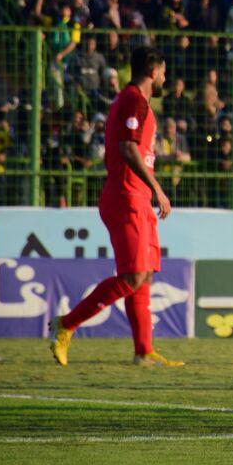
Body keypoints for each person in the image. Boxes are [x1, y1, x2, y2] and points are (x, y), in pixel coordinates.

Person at [49, 47, 183, 368]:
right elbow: (127, 147)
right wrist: (158, 188)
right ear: (153, 71)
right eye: (163, 72)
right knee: (132, 276)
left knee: (145, 275)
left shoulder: (137, 102)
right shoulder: (133, 99)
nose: (165, 79)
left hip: (138, 198)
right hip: (126, 196)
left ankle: (143, 350)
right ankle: (66, 324)